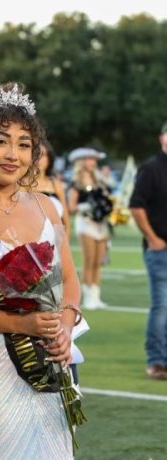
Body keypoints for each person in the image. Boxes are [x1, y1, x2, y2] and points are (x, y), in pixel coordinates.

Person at [0, 82, 82, 459]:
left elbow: (70, 280)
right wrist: (20, 325)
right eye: (1, 141)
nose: (13, 154)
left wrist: (66, 322)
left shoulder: (47, 206)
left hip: (54, 357)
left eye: (24, 144)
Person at [129, 121, 167, 380]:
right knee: (162, 306)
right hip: (160, 249)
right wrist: (153, 238)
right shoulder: (151, 168)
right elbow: (136, 206)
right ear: (162, 138)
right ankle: (156, 361)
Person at [67, 147, 113, 309]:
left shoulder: (99, 180)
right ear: (82, 161)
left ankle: (96, 297)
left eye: (94, 160)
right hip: (85, 223)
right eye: (89, 159)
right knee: (89, 261)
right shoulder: (75, 182)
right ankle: (87, 298)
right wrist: (85, 206)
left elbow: (107, 198)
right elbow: (71, 207)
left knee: (99, 262)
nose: (93, 163)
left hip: (101, 224)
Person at [34, 138, 71, 236]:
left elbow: (66, 221)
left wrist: (64, 246)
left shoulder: (56, 184)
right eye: (35, 154)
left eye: (43, 155)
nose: (39, 159)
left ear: (49, 158)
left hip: (55, 239)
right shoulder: (20, 184)